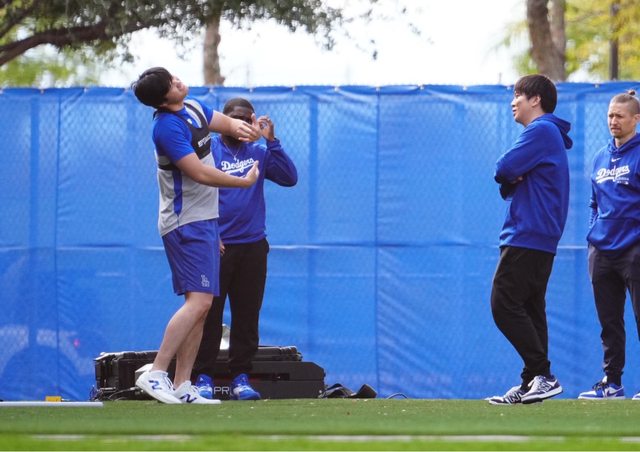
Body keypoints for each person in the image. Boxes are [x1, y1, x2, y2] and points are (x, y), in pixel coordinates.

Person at [130, 67, 262, 404]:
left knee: (202, 308)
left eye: (174, 76)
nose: (178, 81)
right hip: (184, 222)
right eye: (171, 84)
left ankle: (183, 384)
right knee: (200, 302)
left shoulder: (192, 106)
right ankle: (156, 371)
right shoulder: (166, 127)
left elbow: (227, 124)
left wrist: (248, 129)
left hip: (205, 222)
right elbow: (200, 173)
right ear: (163, 100)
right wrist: (243, 182)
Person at [192, 98, 298, 401]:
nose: (240, 124)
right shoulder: (208, 150)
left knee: (247, 315)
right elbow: (194, 191)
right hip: (217, 246)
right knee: (208, 314)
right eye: (234, 118)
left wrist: (272, 141)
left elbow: (289, 178)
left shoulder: (259, 152)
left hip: (252, 246)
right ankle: (203, 377)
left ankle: (240, 377)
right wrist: (210, 232)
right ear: (223, 121)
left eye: (246, 118)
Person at [487, 74, 572, 405]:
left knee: (503, 302)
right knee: (530, 307)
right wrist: (511, 178)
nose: (513, 102)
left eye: (518, 96)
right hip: (539, 235)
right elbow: (509, 180)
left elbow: (503, 167)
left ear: (535, 100)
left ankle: (543, 375)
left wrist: (511, 176)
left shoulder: (541, 130)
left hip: (528, 233)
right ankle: (531, 381)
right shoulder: (547, 134)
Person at [578, 90, 640, 400]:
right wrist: (593, 233)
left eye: (619, 116)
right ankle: (612, 383)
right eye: (610, 115)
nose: (613, 121)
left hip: (634, 249)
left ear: (635, 119)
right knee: (609, 322)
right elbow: (594, 203)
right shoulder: (600, 157)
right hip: (601, 251)